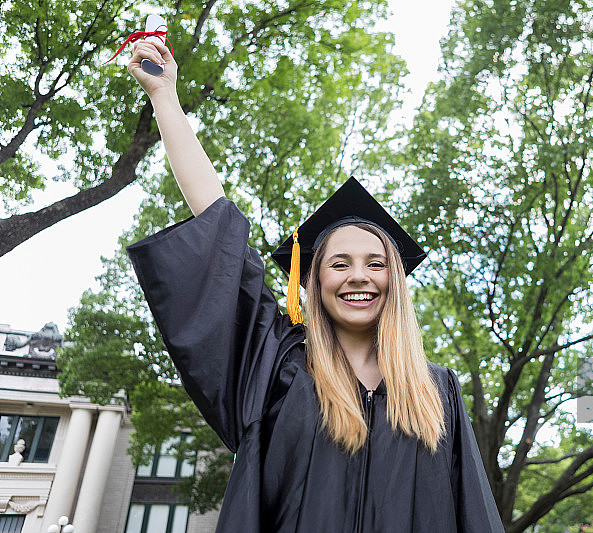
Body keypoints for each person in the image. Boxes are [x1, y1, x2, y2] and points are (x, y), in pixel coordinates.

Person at [125, 38, 504, 533]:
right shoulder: (277, 366)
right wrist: (166, 100)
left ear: (396, 281)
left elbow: (474, 515)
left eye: (375, 264)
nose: (359, 277)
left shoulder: (438, 392)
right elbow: (219, 233)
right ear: (312, 281)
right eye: (339, 263)